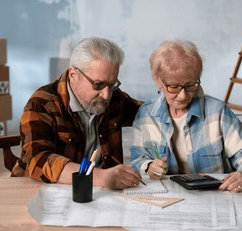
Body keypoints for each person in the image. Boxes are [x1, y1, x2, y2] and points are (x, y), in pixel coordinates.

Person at [130, 39, 242, 192]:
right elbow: (138, 159)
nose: (183, 95)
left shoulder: (217, 111)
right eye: (174, 87)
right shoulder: (146, 115)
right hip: (167, 196)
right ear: (158, 80)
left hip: (214, 195)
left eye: (190, 85)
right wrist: (149, 166)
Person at [12, 37, 144, 189]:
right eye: (98, 84)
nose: (106, 95)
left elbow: (147, 112)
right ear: (74, 75)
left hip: (100, 194)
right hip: (43, 190)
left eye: (112, 84)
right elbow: (37, 160)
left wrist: (171, 91)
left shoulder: (113, 97)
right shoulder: (42, 103)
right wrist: (100, 176)